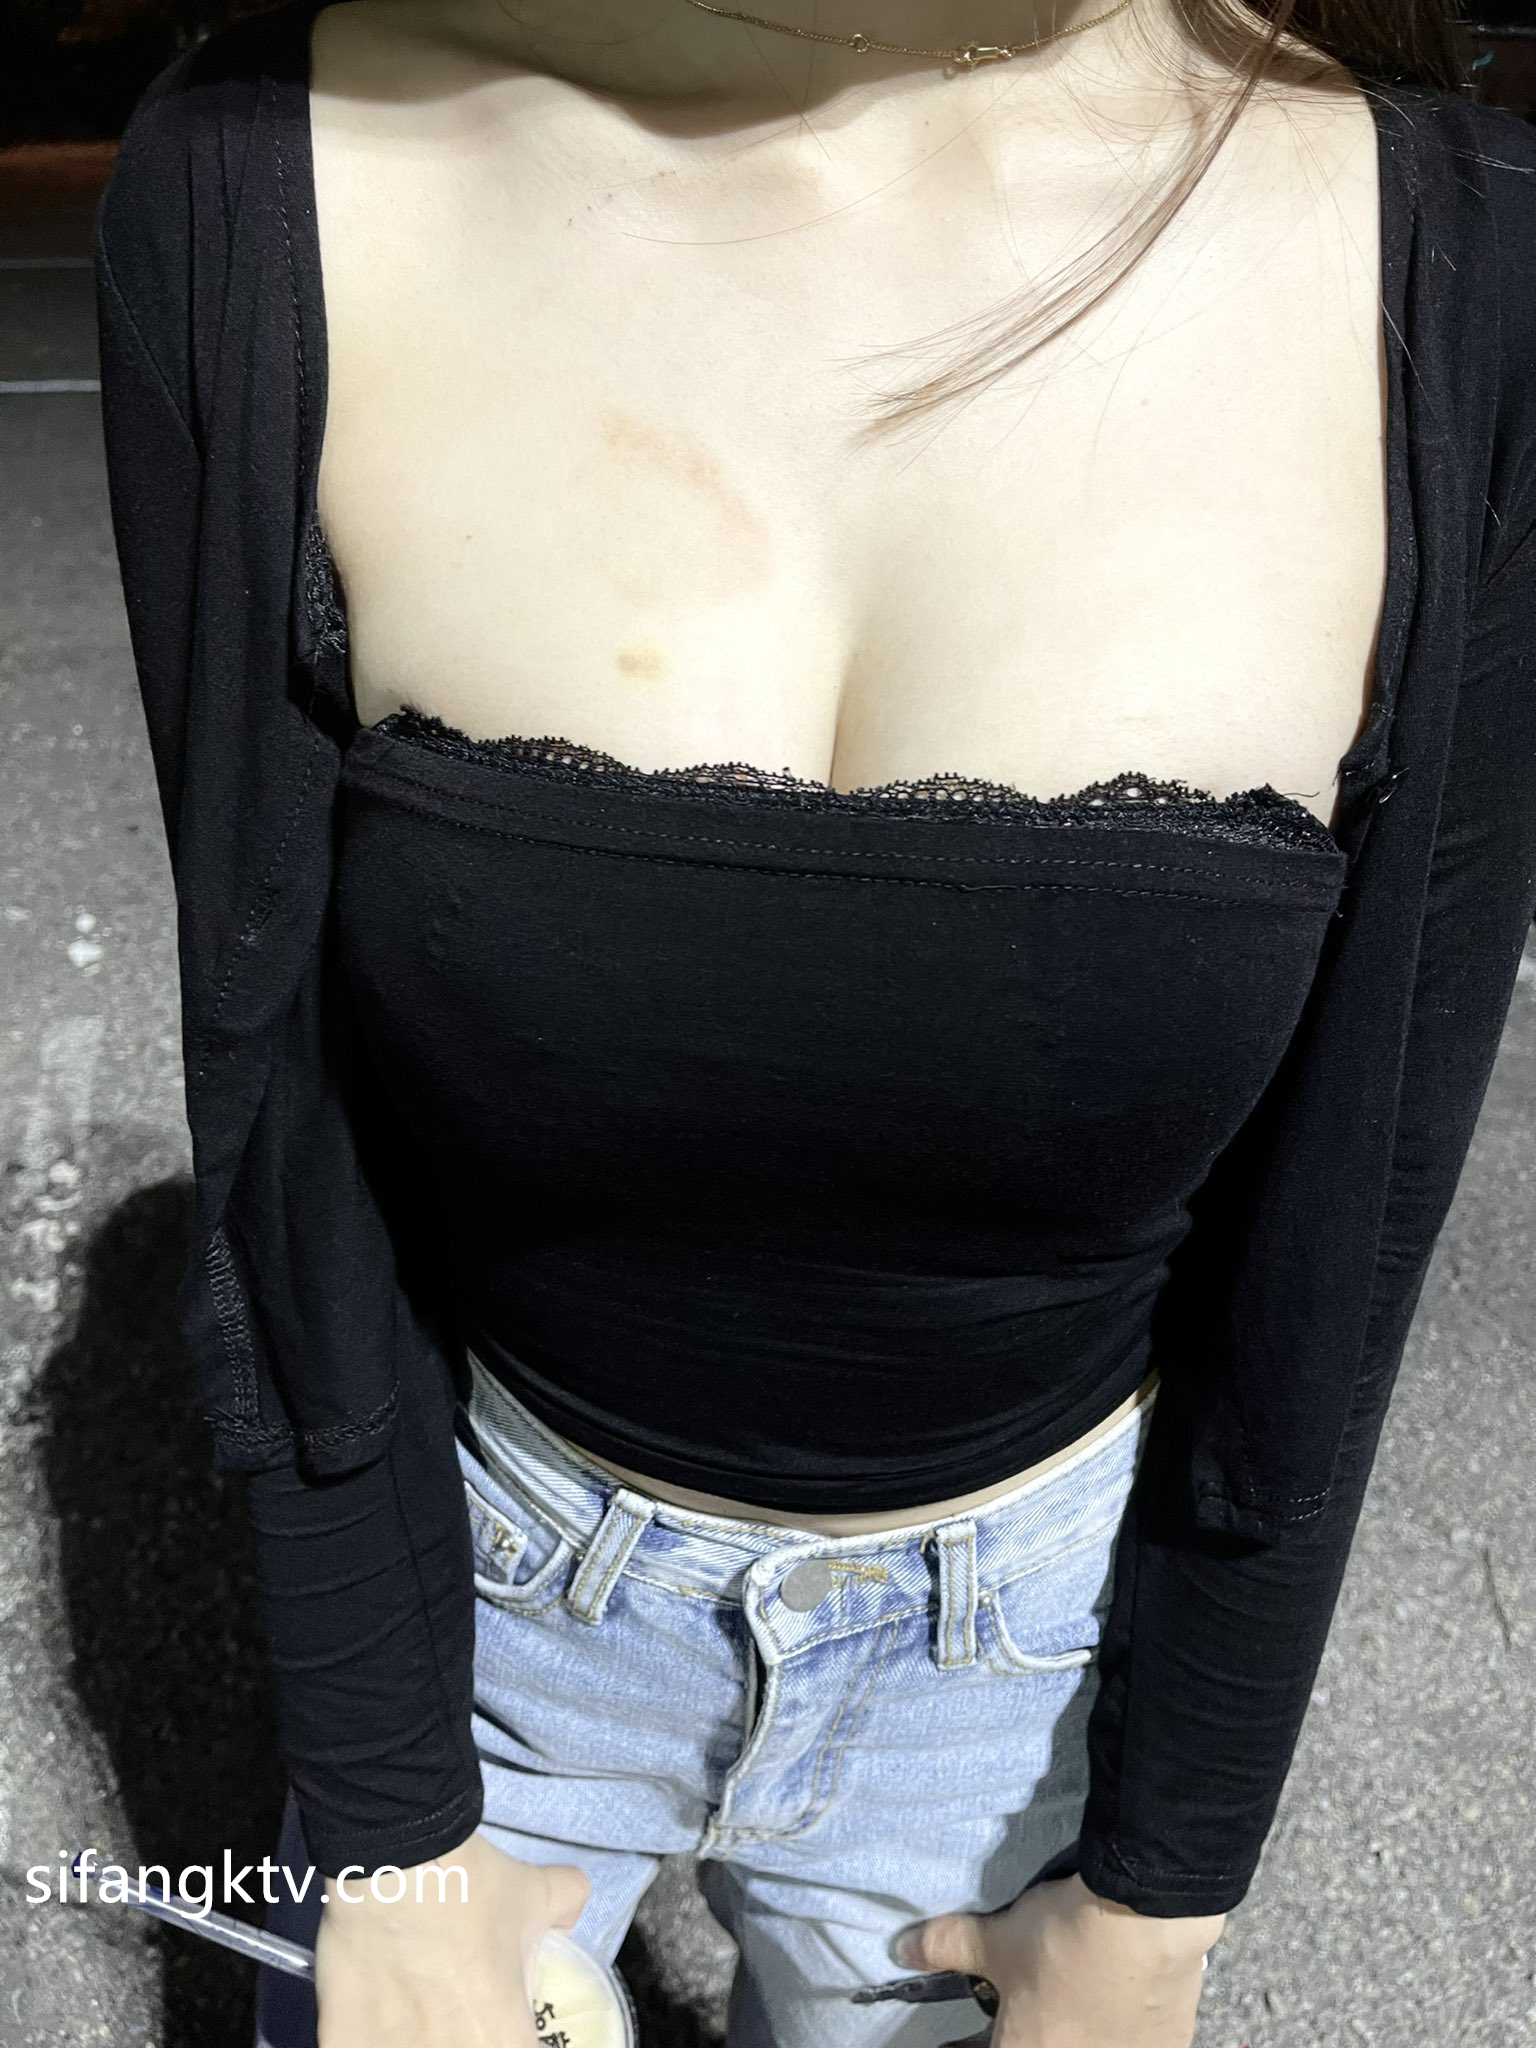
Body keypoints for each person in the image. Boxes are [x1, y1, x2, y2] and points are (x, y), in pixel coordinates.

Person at [93, 0, 1536, 2043]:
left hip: (1011, 1677)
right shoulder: (269, 178)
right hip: (491, 1600)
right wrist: (390, 1834)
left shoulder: (1453, 257)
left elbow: (1351, 1224)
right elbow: (277, 1114)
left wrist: (1162, 1891)